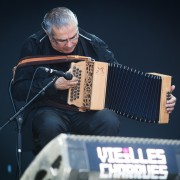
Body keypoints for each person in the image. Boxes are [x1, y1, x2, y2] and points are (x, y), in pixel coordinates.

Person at [12, 7, 177, 154]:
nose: (69, 44)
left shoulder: (93, 43)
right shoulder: (34, 45)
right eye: (62, 40)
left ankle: (98, 171)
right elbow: (18, 89)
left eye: (73, 36)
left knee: (108, 120)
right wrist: (53, 85)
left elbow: (121, 78)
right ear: (48, 34)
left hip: (86, 112)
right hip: (50, 109)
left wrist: (160, 98)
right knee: (48, 124)